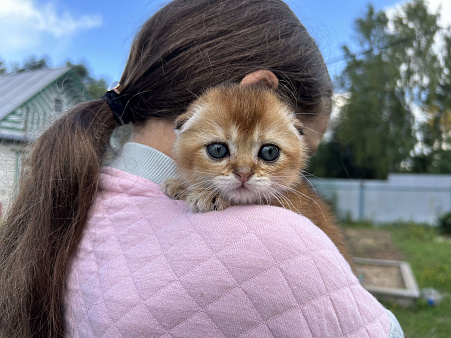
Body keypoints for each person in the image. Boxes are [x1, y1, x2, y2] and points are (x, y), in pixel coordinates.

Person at [0, 0, 403, 337]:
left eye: (271, 154)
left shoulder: (66, 209)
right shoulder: (277, 242)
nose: (247, 172)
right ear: (254, 96)